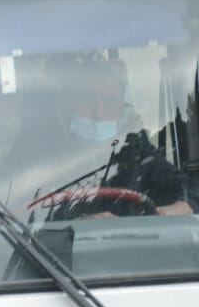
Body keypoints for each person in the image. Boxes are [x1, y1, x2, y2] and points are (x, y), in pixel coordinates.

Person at [28, 52, 197, 221]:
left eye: (109, 103)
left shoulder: (131, 149)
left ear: (120, 110)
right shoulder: (39, 156)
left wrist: (185, 204)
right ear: (69, 103)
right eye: (88, 100)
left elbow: (187, 186)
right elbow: (25, 216)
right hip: (57, 247)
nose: (99, 113)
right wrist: (78, 223)